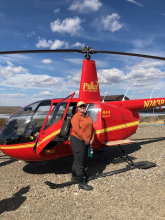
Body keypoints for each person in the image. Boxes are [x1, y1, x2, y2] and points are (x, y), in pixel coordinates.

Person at [70, 101, 94, 191]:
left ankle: (74, 176)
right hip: (77, 140)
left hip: (86, 140)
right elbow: (77, 130)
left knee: (78, 159)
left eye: (84, 106)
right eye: (81, 106)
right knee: (80, 161)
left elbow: (92, 128)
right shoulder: (76, 117)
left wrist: (92, 138)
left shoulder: (87, 116)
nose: (83, 107)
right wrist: (86, 139)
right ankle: (81, 183)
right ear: (77, 108)